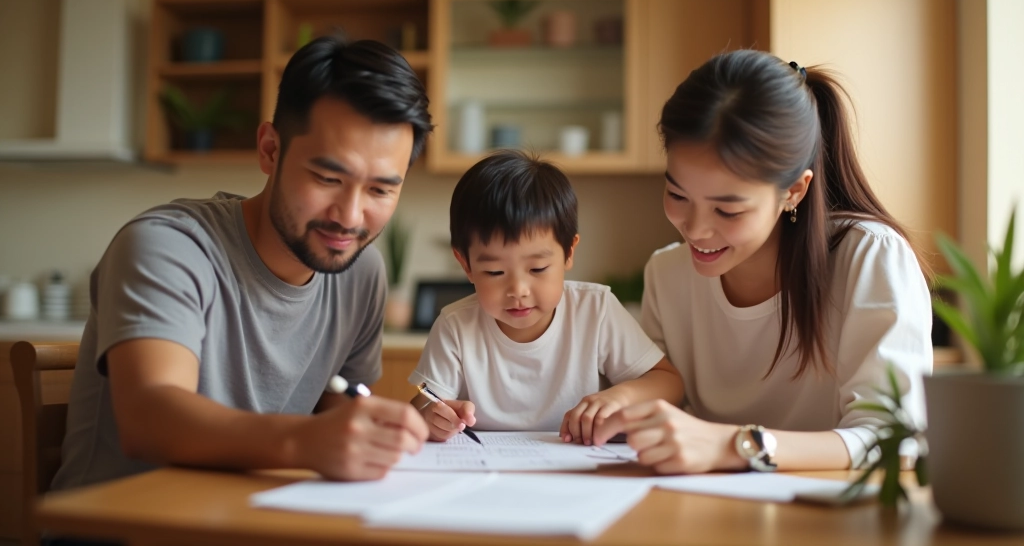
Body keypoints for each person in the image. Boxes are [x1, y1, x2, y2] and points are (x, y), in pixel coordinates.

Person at [51, 37, 433, 490]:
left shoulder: (360, 273)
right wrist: (303, 441)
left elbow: (339, 409)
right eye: (328, 178)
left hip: (252, 517)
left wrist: (393, 426)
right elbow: (150, 417)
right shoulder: (168, 246)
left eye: (380, 190)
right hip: (118, 530)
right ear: (270, 149)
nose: (350, 217)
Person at [593, 50, 933, 473]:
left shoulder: (868, 257)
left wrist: (737, 445)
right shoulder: (667, 274)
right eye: (678, 195)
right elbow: (661, 398)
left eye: (728, 210)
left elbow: (894, 439)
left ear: (794, 191)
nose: (695, 229)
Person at [408, 150, 684, 446]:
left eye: (538, 268)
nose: (519, 290)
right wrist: (431, 418)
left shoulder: (595, 310)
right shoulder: (455, 326)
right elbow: (421, 408)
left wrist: (621, 396)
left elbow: (669, 383)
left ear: (568, 252)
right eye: (494, 272)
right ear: (466, 265)